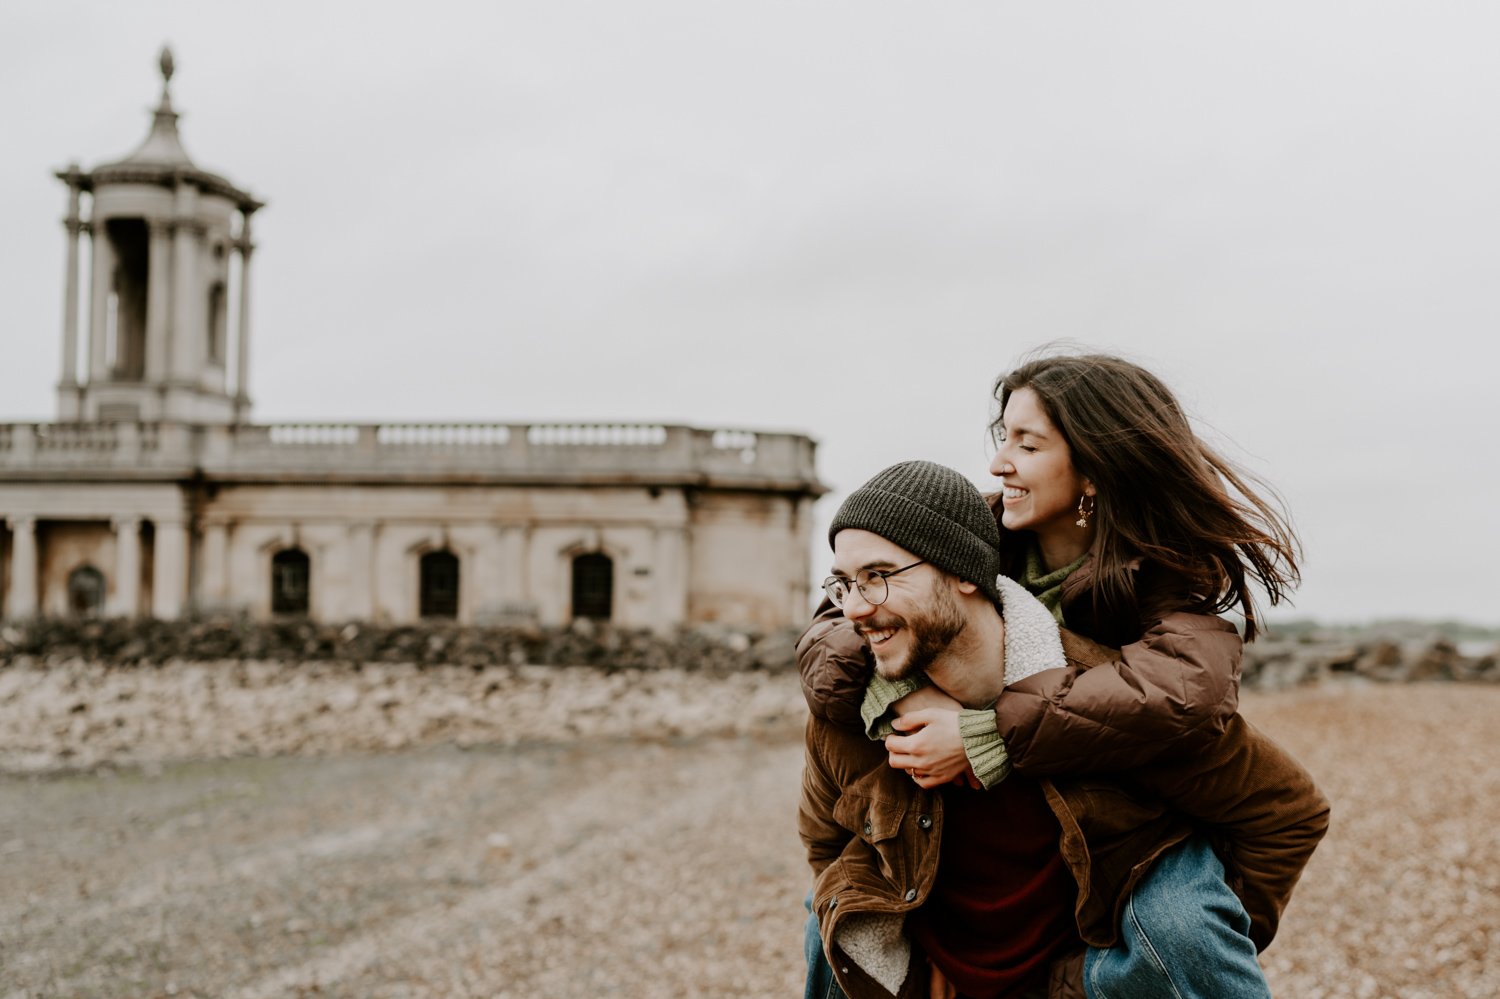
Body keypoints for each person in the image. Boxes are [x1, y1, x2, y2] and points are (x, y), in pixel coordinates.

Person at [800, 456, 1327, 997]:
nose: (856, 610)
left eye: (879, 578)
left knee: (1182, 925)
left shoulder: (1107, 699)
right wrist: (908, 959)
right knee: (828, 923)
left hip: (1075, 980)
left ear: (962, 572)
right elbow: (827, 846)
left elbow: (1288, 812)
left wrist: (1164, 959)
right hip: (937, 982)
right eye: (844, 585)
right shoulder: (848, 710)